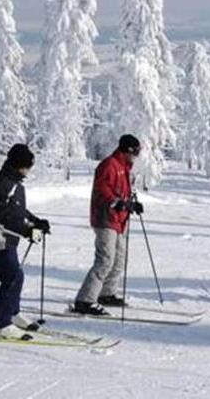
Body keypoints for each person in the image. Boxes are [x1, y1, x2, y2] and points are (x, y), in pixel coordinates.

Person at [0, 144, 50, 339]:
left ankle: (12, 312)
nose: (28, 170)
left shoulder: (14, 182)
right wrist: (26, 230)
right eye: (27, 166)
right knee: (12, 278)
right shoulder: (1, 183)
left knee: (16, 276)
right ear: (19, 164)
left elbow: (16, 210)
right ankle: (0, 323)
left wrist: (35, 221)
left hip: (7, 239)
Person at [74, 134, 143, 316]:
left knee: (119, 259)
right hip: (106, 218)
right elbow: (102, 188)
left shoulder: (124, 167)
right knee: (105, 259)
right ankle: (85, 300)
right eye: (135, 151)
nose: (136, 155)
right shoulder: (109, 165)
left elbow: (123, 192)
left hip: (119, 220)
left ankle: (106, 293)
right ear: (126, 150)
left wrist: (131, 204)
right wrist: (116, 202)